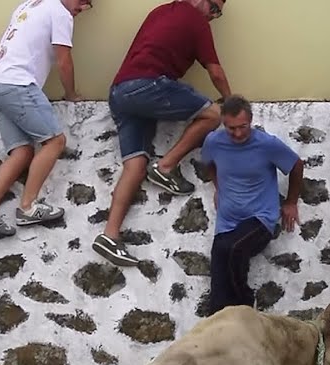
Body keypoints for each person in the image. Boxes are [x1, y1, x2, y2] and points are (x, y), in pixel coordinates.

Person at [90, 0, 233, 268]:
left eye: (218, 12)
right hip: (147, 85)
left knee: (135, 165)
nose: (214, 15)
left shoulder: (161, 10)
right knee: (213, 114)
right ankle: (166, 167)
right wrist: (231, 102)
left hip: (120, 92)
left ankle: (109, 235)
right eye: (214, 7)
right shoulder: (195, 19)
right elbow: (215, 70)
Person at [0, 0, 91, 237]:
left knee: (23, 152)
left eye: (89, 4)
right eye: (84, 1)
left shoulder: (29, 5)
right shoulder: (60, 12)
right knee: (55, 142)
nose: (84, 7)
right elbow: (64, 61)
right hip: (19, 85)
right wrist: (71, 94)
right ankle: (28, 207)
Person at [199, 95, 304, 314]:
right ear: (223, 124)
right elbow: (209, 164)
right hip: (227, 220)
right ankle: (219, 322)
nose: (238, 133)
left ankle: (244, 306)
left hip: (260, 218)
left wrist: (291, 202)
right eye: (231, 128)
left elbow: (296, 165)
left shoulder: (267, 144)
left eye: (243, 127)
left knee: (235, 248)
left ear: (251, 120)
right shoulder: (213, 142)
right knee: (219, 266)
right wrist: (218, 188)